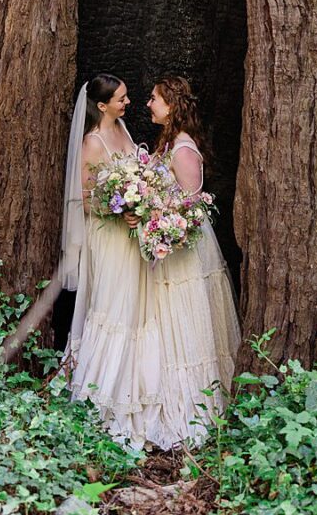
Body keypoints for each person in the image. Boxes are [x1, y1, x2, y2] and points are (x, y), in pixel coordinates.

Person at [136, 74, 241, 449]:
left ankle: (196, 405)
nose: (149, 104)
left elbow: (191, 205)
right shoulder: (168, 143)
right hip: (165, 243)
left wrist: (160, 223)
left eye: (155, 98)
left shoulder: (183, 149)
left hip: (184, 247)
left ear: (172, 104)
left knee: (186, 319)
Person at [59, 74, 152, 450]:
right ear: (101, 106)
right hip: (108, 235)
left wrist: (142, 199)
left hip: (130, 235)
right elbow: (85, 197)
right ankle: (100, 386)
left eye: (127, 96)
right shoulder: (92, 142)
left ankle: (132, 380)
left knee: (132, 307)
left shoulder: (125, 131)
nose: (127, 102)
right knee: (112, 306)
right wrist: (120, 210)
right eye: (120, 99)